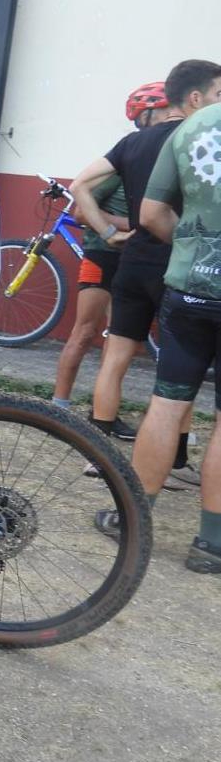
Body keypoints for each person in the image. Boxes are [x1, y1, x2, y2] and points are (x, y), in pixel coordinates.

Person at [73, 59, 221, 536]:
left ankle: (106, 467)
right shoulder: (194, 132)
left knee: (142, 375)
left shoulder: (149, 140)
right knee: (191, 396)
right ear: (195, 97)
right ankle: (203, 521)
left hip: (150, 264)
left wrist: (107, 232)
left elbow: (88, 188)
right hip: (177, 269)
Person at [133, 70, 221, 573]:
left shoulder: (192, 125)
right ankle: (211, 542)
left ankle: (133, 517)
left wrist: (190, 246)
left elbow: (151, 213)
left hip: (189, 285)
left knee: (167, 402)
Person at [51, 84, 170, 410]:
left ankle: (102, 412)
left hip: (132, 260)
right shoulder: (128, 158)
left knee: (118, 339)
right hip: (102, 254)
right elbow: (81, 211)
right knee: (85, 331)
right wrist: (124, 227)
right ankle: (59, 406)